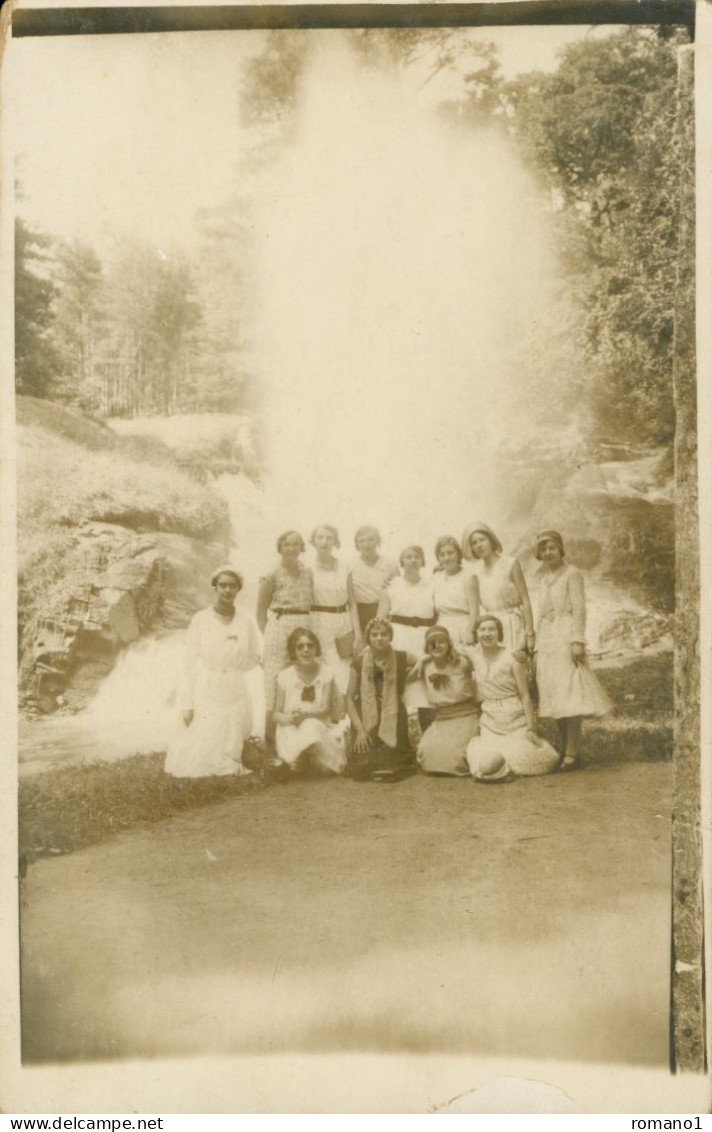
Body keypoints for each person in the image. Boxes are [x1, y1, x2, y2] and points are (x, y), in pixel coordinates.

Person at [165, 566, 261, 778]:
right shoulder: (201, 619)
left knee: (233, 739)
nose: (227, 590)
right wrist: (187, 704)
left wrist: (234, 668)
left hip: (235, 686)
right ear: (215, 588)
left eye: (232, 586)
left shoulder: (246, 620)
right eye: (223, 586)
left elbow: (254, 655)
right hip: (208, 686)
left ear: (238, 589)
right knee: (202, 752)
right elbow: (188, 663)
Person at [533, 529, 613, 770]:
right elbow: (541, 614)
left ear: (560, 549)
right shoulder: (543, 577)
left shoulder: (572, 574)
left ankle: (572, 752)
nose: (547, 553)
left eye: (551, 548)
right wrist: (537, 645)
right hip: (547, 638)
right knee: (555, 694)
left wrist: (577, 640)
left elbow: (579, 609)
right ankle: (565, 747)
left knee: (570, 694)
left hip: (566, 635)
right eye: (543, 549)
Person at [466, 614, 559, 782]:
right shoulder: (474, 657)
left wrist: (531, 728)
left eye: (492, 629)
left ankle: (503, 770)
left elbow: (525, 695)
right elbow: (449, 655)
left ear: (499, 633)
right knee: (484, 759)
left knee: (521, 754)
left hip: (515, 720)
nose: (487, 634)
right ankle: (497, 770)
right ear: (476, 633)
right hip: (490, 722)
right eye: (482, 630)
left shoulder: (512, 658)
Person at [256, 531, 314, 739]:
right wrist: (270, 637)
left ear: (302, 547)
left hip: (303, 627)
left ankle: (298, 741)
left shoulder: (307, 572)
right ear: (280, 547)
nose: (291, 549)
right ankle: (270, 744)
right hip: (278, 627)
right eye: (286, 545)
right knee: (274, 682)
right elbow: (260, 613)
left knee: (300, 681)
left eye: (296, 544)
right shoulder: (271, 572)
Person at [345, 618, 417, 782]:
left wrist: (405, 676)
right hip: (366, 714)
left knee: (392, 763)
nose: (379, 638)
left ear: (390, 637)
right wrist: (360, 730)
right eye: (374, 634)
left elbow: (422, 663)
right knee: (363, 766)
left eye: (384, 634)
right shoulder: (359, 662)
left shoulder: (400, 657)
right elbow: (349, 698)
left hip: (393, 712)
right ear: (368, 638)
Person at [272, 628, 346, 775]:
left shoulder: (326, 673)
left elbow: (325, 709)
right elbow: (275, 714)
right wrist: (289, 718)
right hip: (292, 729)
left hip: (320, 727)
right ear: (293, 651)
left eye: (310, 645)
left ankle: (305, 759)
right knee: (302, 734)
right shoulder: (285, 676)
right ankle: (301, 758)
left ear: (316, 648)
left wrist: (305, 715)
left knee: (312, 727)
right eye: (300, 646)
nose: (306, 650)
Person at [377, 545, 436, 730]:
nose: (412, 560)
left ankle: (428, 739)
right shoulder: (391, 587)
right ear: (401, 562)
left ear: (423, 560)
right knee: (400, 689)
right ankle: (401, 747)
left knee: (425, 692)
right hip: (399, 638)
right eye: (408, 557)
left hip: (423, 638)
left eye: (416, 556)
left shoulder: (431, 585)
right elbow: (380, 619)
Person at [461, 521, 535, 657]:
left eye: (482, 540)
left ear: (491, 540)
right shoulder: (474, 573)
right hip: (490, 629)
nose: (479, 545)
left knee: (517, 667)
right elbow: (474, 610)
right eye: (474, 543)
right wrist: (470, 634)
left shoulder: (510, 563)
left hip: (513, 624)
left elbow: (525, 600)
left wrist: (529, 633)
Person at [415, 626, 479, 776]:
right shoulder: (426, 666)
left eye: (441, 642)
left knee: (456, 758)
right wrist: (422, 660)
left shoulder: (462, 663)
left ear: (449, 644)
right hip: (442, 719)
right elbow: (405, 676)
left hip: (465, 716)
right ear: (426, 647)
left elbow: (480, 659)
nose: (437, 645)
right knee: (426, 752)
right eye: (432, 643)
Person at [310, 524, 361, 693]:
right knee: (322, 673)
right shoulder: (307, 567)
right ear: (313, 541)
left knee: (343, 674)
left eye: (329, 538)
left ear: (335, 541)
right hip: (318, 622)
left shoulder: (345, 566)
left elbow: (352, 602)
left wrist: (358, 635)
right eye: (320, 537)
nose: (324, 542)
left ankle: (343, 718)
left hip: (342, 622)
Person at [348, 525, 399, 636]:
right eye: (362, 541)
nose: (366, 545)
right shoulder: (350, 565)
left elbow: (399, 593)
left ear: (378, 541)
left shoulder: (390, 564)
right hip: (360, 614)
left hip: (384, 612)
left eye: (370, 539)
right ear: (356, 544)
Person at [432, 535, 480, 648]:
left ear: (458, 554)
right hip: (441, 626)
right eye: (442, 554)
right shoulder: (436, 577)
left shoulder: (469, 576)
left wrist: (470, 633)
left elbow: (474, 611)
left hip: (462, 626)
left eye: (450, 553)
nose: (446, 557)